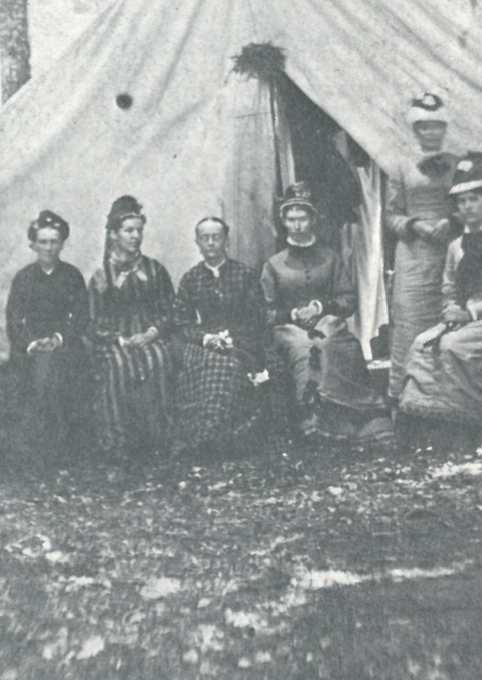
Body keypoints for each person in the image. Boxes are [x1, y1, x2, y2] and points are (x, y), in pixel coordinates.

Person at [400, 153, 482, 445]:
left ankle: (474, 422)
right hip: (465, 318)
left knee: (453, 345)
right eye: (462, 202)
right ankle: (435, 424)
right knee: (421, 344)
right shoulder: (456, 246)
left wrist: (470, 315)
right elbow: (448, 289)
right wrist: (451, 310)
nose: (468, 207)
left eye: (474, 200)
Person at [261, 182, 393, 444]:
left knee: (330, 340)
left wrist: (321, 308)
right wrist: (292, 314)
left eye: (302, 219)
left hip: (327, 321)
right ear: (284, 222)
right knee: (303, 345)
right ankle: (312, 420)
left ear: (312, 220)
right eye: (291, 219)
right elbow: (264, 310)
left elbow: (348, 299)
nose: (297, 225)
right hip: (290, 328)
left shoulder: (331, 258)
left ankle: (352, 417)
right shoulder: (274, 265)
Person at [88, 195, 177, 459]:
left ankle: (158, 438)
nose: (135, 236)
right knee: (119, 364)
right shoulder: (103, 274)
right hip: (116, 340)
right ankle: (119, 442)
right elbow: (93, 321)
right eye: (129, 231)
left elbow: (170, 309)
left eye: (139, 230)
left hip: (149, 336)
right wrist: (120, 339)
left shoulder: (154, 269)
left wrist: (151, 333)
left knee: (158, 358)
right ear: (114, 234)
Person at [171, 217, 269, 457]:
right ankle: (205, 433)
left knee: (232, 365)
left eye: (216, 237)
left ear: (226, 240)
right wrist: (206, 338)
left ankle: (228, 436)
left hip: (243, 339)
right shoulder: (191, 278)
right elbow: (180, 321)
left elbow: (257, 316)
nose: (211, 243)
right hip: (204, 343)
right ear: (198, 242)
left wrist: (233, 338)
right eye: (205, 238)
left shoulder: (244, 274)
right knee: (209, 364)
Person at [1, 210, 92, 466]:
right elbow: (14, 319)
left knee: (57, 367)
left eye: (54, 242)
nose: (49, 248)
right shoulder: (24, 278)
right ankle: (34, 447)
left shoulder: (72, 276)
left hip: (65, 344)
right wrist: (31, 342)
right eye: (43, 242)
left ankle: (61, 446)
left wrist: (59, 338)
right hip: (30, 345)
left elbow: (82, 316)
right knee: (34, 369)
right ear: (33, 245)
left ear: (62, 243)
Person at [385, 92, 458, 401]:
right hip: (413, 253)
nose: (431, 132)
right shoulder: (400, 164)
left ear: (444, 128)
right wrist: (414, 225)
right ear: (415, 130)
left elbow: (470, 204)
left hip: (449, 249)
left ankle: (443, 400)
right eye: (424, 126)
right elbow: (390, 214)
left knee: (447, 318)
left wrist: (450, 223)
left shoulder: (457, 163)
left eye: (436, 126)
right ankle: (402, 399)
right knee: (410, 323)